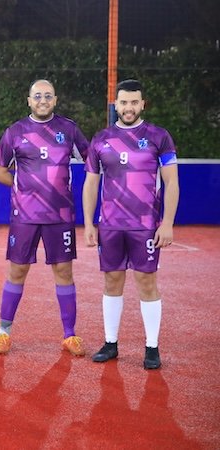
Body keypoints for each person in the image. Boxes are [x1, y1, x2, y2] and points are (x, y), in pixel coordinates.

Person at [83, 79, 179, 370]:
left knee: (147, 282)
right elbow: (91, 183)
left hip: (145, 225)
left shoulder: (159, 136)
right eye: (124, 102)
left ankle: (152, 347)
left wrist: (167, 223)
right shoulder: (101, 139)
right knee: (112, 280)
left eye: (134, 102)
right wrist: (88, 223)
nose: (129, 107)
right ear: (116, 105)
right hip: (111, 225)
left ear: (142, 104)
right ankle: (110, 343)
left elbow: (172, 182)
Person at [0, 80, 90, 356]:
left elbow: (92, 160)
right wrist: (22, 185)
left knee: (64, 271)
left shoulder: (68, 129)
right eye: (37, 96)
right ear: (29, 100)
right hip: (25, 215)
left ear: (55, 100)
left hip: (60, 215)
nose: (42, 100)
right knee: (17, 270)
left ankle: (69, 335)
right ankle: (4, 333)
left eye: (47, 96)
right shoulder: (15, 131)